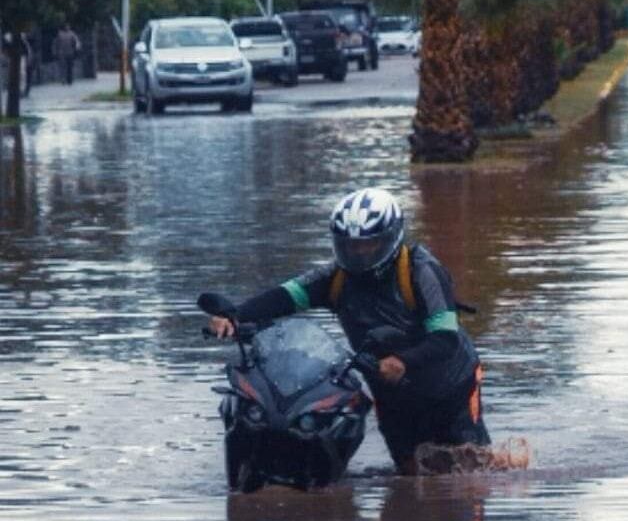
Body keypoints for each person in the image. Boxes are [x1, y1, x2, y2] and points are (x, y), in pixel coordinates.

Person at [208, 188, 490, 474]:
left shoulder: (422, 271)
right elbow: (283, 297)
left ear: (392, 238)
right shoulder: (335, 279)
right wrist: (234, 315)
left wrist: (403, 362)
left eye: (369, 245)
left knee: (471, 470)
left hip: (450, 385)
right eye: (350, 246)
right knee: (409, 472)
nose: (359, 253)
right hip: (389, 390)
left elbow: (445, 340)